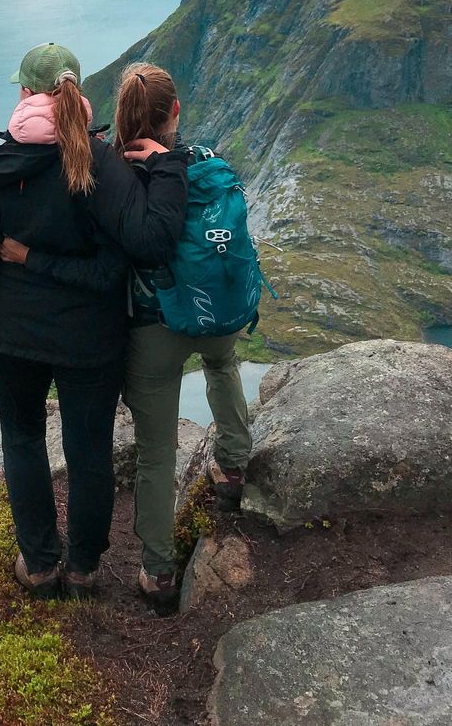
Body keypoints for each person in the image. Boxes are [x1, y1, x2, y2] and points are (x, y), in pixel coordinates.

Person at [0, 42, 188, 601]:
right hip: (90, 340)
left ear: (27, 93)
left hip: (13, 338)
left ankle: (39, 564)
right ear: (75, 91)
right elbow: (144, 247)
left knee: (24, 441)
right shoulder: (102, 162)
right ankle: (82, 568)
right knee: (88, 449)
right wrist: (164, 168)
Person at [114, 62, 253, 612]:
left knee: (155, 454)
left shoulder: (122, 173)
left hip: (156, 326)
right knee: (223, 368)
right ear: (175, 112)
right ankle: (234, 465)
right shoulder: (209, 163)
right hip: (218, 314)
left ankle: (157, 570)